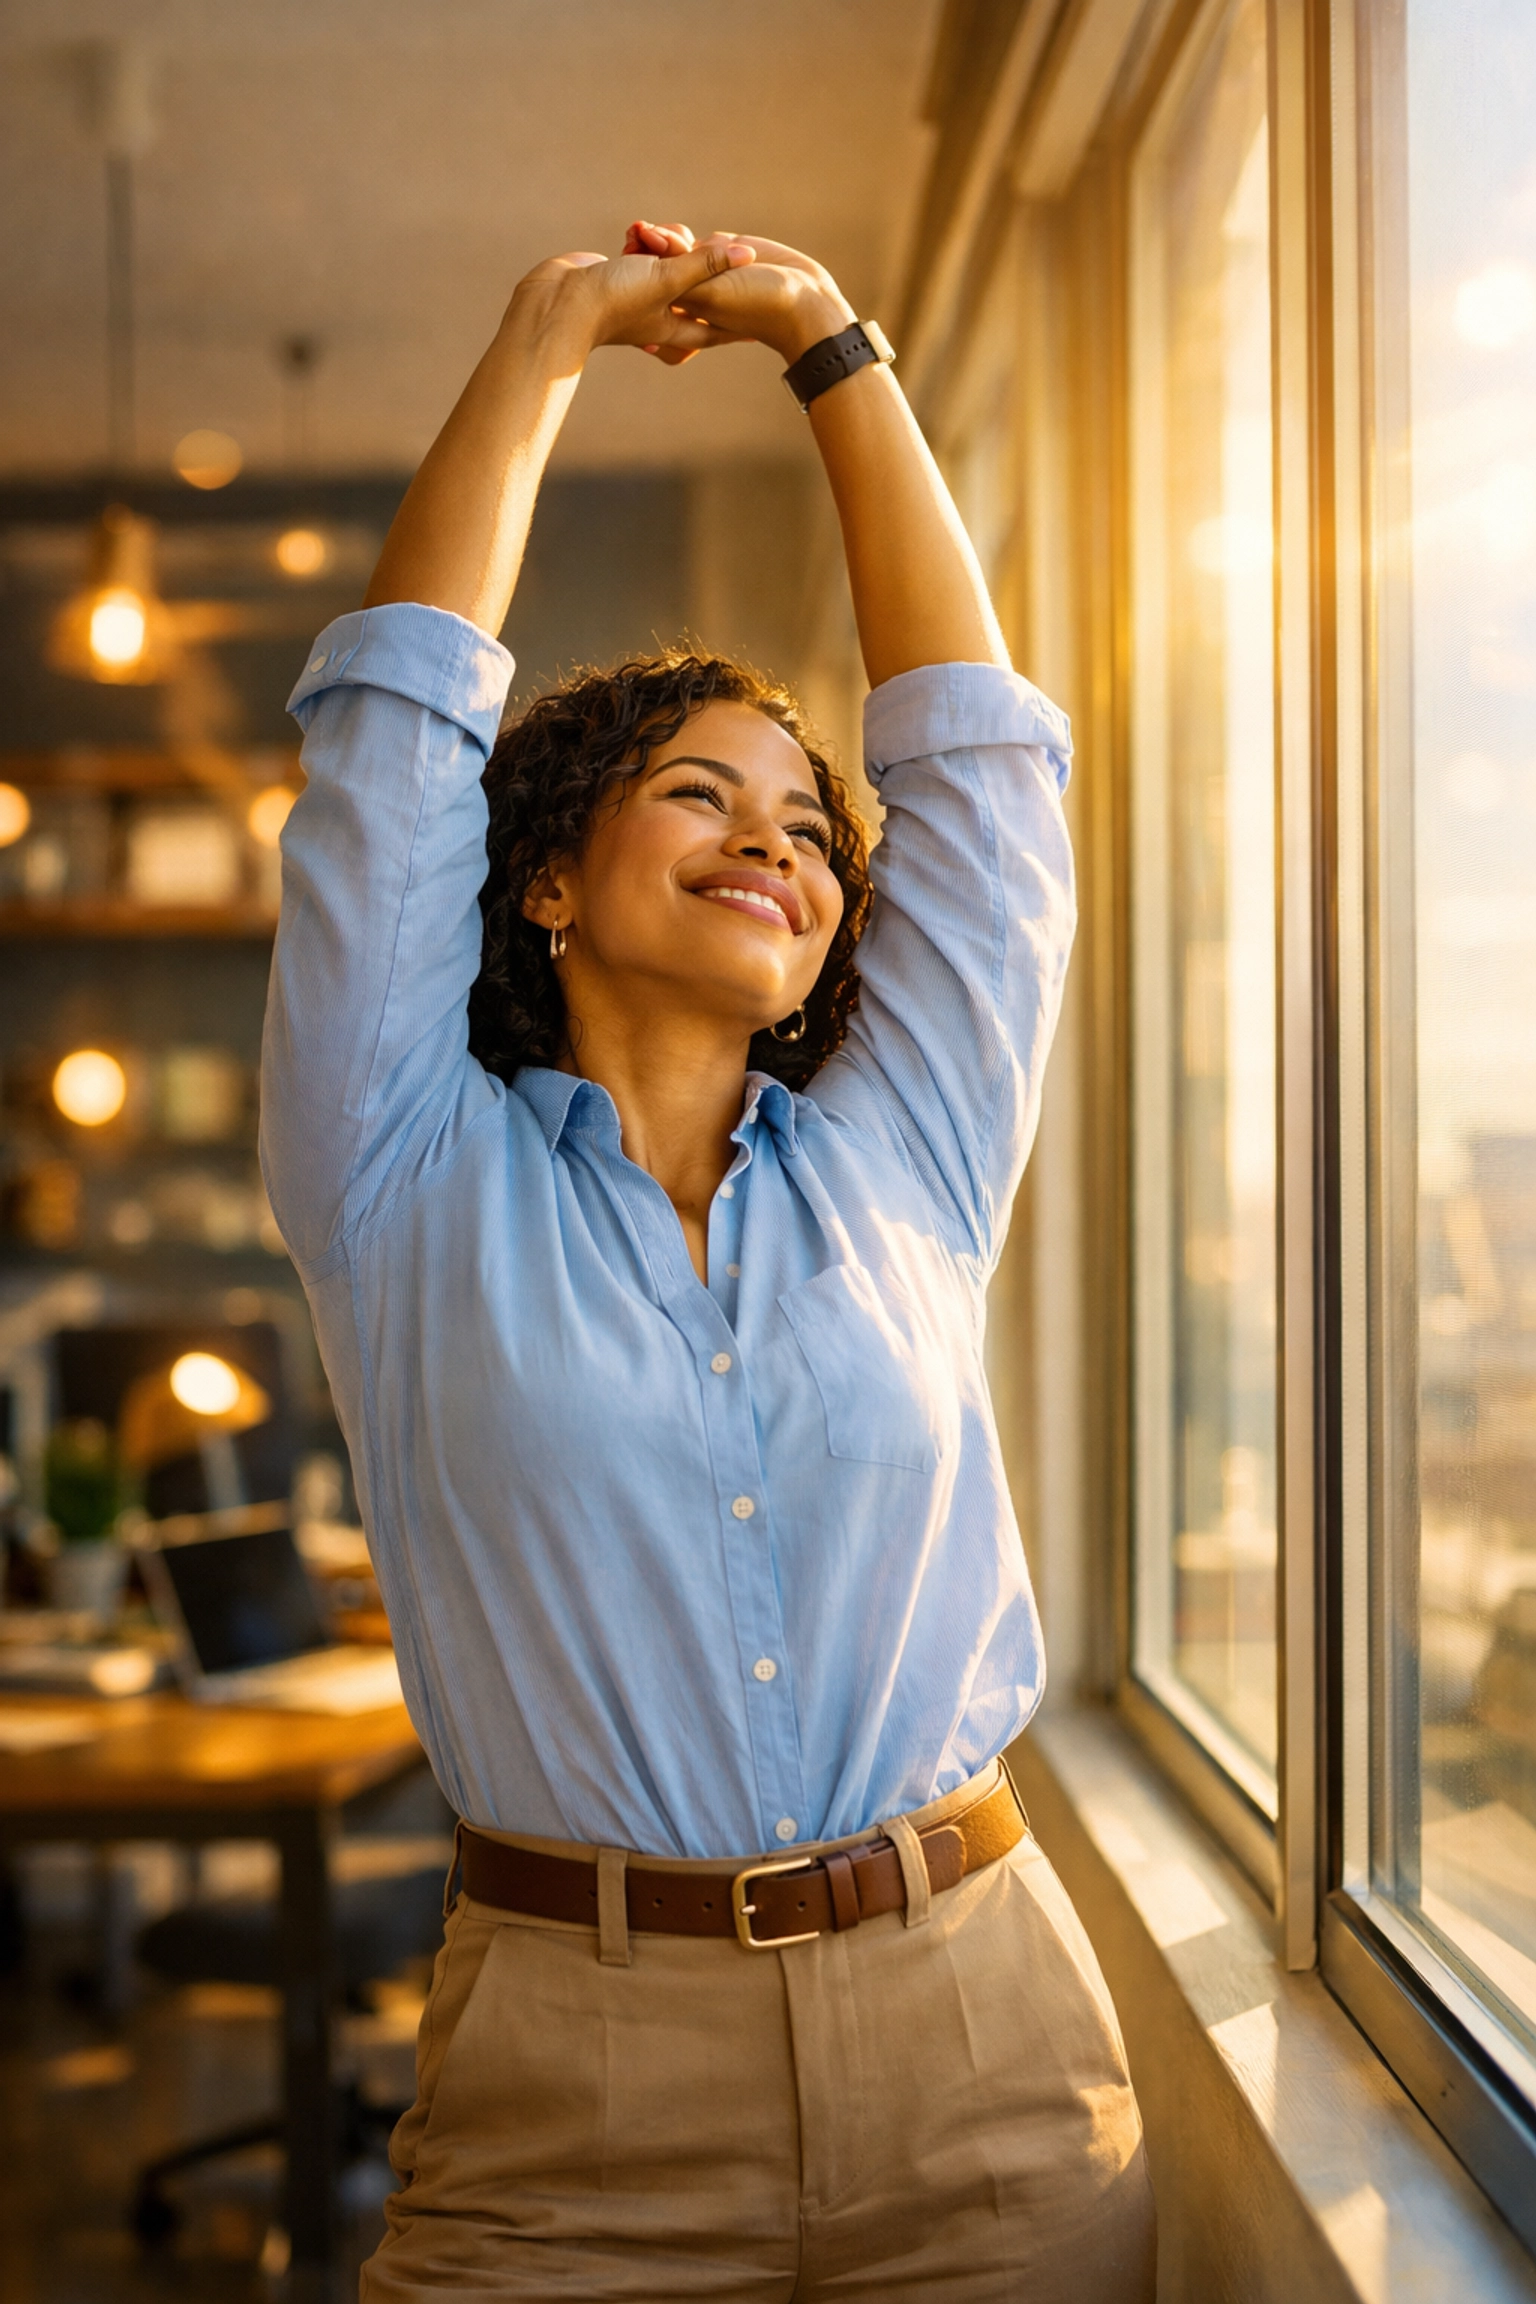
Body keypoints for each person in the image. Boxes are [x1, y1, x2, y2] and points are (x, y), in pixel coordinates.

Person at [261, 219, 1155, 2303]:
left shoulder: (907, 1158)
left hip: (984, 2046)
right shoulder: (395, 1177)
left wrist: (834, 348)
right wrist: (547, 340)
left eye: (810, 827)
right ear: (553, 879)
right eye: (702, 794)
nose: (782, 840)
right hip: (572, 2092)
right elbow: (389, 759)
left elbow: (989, 782)